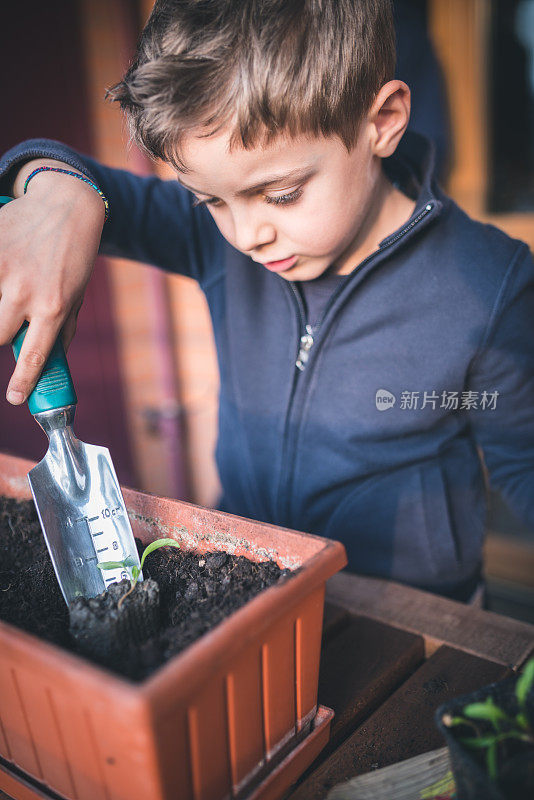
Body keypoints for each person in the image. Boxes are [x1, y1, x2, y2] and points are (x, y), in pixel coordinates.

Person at [0, 0, 532, 602]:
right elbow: (87, 186)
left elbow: (526, 461)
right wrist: (54, 189)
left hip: (412, 614)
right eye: (210, 200)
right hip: (249, 585)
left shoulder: (489, 283)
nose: (246, 234)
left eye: (280, 195)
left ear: (381, 120)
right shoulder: (215, 240)